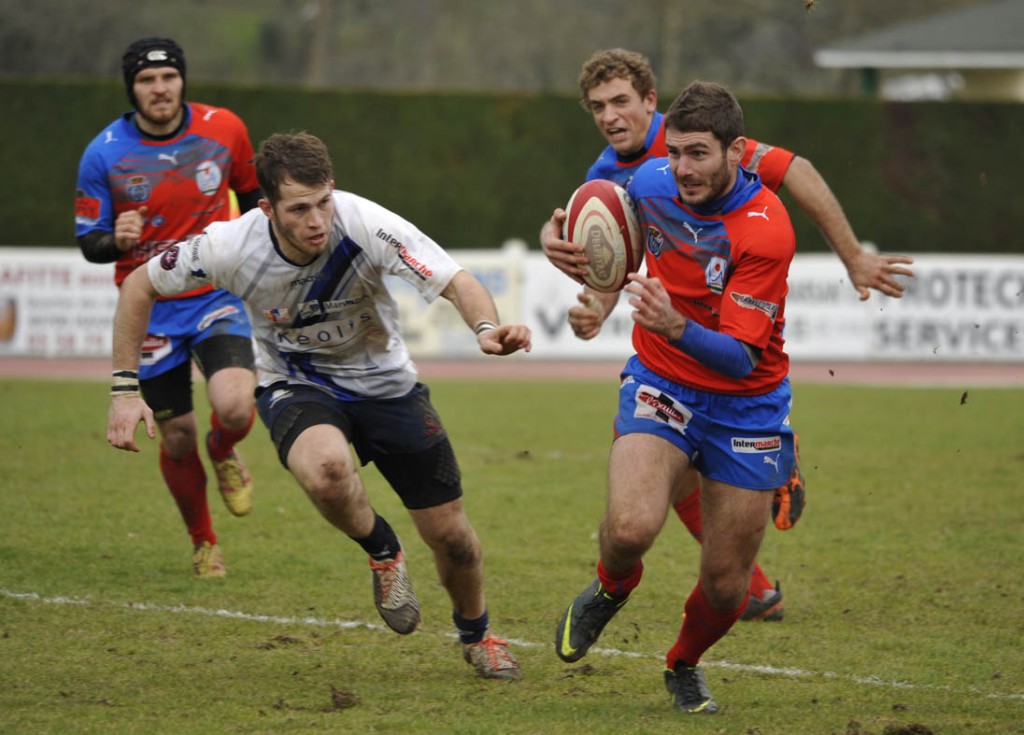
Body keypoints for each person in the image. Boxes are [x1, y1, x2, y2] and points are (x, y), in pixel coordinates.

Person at [105, 131, 532, 681]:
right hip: (297, 382)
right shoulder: (229, 245)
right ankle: (383, 550)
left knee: (453, 538)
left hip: (388, 387)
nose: (317, 220)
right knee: (328, 471)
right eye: (299, 209)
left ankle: (478, 635)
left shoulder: (366, 223)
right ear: (267, 209)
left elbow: (456, 281)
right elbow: (138, 285)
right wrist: (123, 389)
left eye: (324, 202)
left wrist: (487, 328)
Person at [541, 48, 915, 621]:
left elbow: (797, 171)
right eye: (597, 107)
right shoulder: (607, 178)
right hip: (677, 353)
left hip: (733, 345)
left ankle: (775, 463)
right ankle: (755, 585)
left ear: (650, 101)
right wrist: (594, 296)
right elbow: (620, 253)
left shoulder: (700, 139)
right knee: (667, 462)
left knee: (701, 438)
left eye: (621, 101)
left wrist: (854, 258)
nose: (611, 116)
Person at [554, 80, 798, 713]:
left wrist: (676, 324)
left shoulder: (765, 230)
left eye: (698, 154)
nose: (682, 168)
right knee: (631, 527)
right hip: (662, 382)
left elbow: (742, 356)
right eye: (676, 152)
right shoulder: (650, 182)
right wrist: (570, 250)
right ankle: (610, 588)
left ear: (736, 152)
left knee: (726, 588)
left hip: (747, 403)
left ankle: (683, 663)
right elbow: (602, 228)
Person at [75, 37, 261, 579]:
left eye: (168, 77)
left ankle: (224, 449)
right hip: (150, 308)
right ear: (132, 89)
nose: (159, 88)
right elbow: (89, 241)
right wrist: (115, 239)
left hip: (213, 294)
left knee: (233, 406)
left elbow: (255, 204)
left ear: (182, 80)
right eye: (146, 80)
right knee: (175, 437)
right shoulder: (103, 153)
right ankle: (203, 541)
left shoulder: (224, 129)